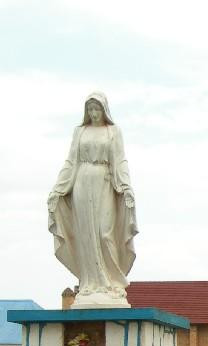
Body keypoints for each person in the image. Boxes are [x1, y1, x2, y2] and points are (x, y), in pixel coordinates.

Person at [48, 92, 137, 307]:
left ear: (104, 110)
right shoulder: (80, 132)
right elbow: (71, 162)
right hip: (81, 184)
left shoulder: (113, 132)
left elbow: (120, 161)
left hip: (104, 182)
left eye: (97, 109)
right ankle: (90, 284)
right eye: (90, 110)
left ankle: (110, 283)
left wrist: (126, 187)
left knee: (104, 232)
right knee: (86, 234)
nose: (94, 113)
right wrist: (58, 189)